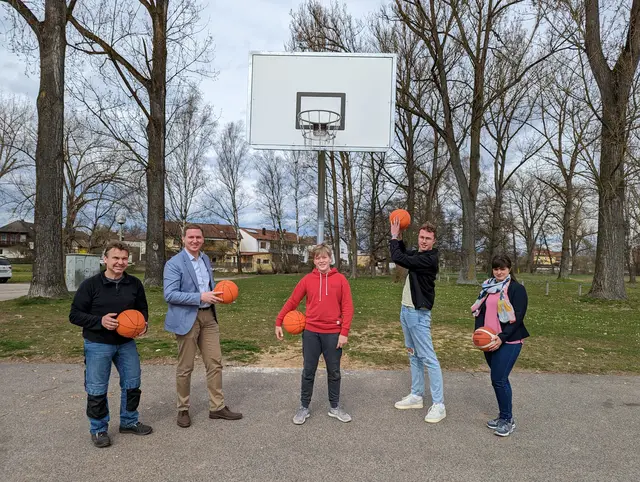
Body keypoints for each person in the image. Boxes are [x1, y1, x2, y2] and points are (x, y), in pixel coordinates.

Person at [69, 241, 153, 448]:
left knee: (133, 383)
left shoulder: (134, 284)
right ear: (105, 259)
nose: (120, 262)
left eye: (124, 259)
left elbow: (142, 310)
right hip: (98, 343)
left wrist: (143, 324)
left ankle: (129, 421)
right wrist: (100, 321)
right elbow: (75, 315)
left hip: (126, 343)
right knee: (97, 388)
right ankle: (98, 429)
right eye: (115, 258)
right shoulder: (90, 285)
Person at [163, 224, 242, 428]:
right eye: (191, 237)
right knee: (185, 367)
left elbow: (209, 288)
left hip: (209, 317)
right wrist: (200, 296)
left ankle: (217, 407)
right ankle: (183, 409)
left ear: (203, 239)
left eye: (198, 237)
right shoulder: (174, 263)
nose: (195, 240)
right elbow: (169, 294)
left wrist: (222, 295)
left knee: (215, 363)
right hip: (187, 318)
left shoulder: (205, 259)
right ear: (183, 239)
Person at [275, 243, 354, 425]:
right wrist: (279, 321)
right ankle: (304, 407)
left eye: (324, 257)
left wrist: (344, 332)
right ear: (314, 260)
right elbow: (293, 301)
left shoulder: (341, 280)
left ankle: (335, 407)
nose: (321, 260)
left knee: (334, 372)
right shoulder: (307, 280)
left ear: (330, 258)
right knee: (308, 371)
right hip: (311, 332)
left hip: (333, 333)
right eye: (318, 258)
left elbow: (348, 308)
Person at [389, 219, 446, 423]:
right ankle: (416, 395)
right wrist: (401, 238)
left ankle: (439, 404)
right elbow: (404, 254)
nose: (423, 241)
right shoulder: (419, 254)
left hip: (418, 314)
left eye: (427, 238)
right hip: (406, 311)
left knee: (428, 357)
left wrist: (394, 236)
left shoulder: (429, 259)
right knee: (413, 354)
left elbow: (399, 257)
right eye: (421, 237)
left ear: (434, 240)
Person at [471, 254, 529, 437]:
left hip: (508, 341)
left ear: (509, 269)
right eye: (496, 269)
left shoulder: (517, 289)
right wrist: (478, 333)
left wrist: (502, 338)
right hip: (489, 340)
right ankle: (503, 415)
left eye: (502, 268)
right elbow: (480, 312)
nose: (499, 272)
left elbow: (518, 317)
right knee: (499, 379)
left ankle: (508, 419)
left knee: (499, 379)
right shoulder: (488, 288)